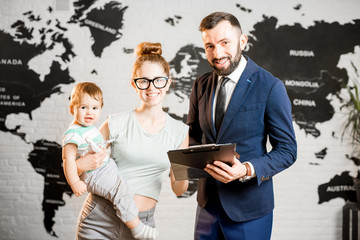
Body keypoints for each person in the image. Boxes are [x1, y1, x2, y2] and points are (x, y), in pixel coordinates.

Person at [187, 12, 297, 240]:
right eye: (209, 46)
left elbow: (287, 151)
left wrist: (246, 169)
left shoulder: (270, 86)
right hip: (207, 206)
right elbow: (193, 137)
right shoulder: (200, 85)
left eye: (224, 42)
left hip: (249, 210)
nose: (217, 54)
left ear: (242, 41)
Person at [74, 42, 189, 240]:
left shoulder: (179, 132)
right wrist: (79, 164)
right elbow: (75, 165)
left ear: (169, 83)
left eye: (158, 80)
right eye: (144, 81)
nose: (151, 87)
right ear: (134, 84)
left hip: (142, 225)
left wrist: (186, 169)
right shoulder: (116, 122)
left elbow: (179, 189)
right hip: (99, 219)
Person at [62, 82, 158, 239]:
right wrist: (74, 183)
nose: (89, 112)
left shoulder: (89, 128)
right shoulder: (73, 134)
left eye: (95, 108)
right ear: (72, 108)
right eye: (83, 107)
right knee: (121, 194)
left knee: (124, 190)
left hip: (104, 169)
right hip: (95, 174)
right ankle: (137, 228)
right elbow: (68, 160)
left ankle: (133, 222)